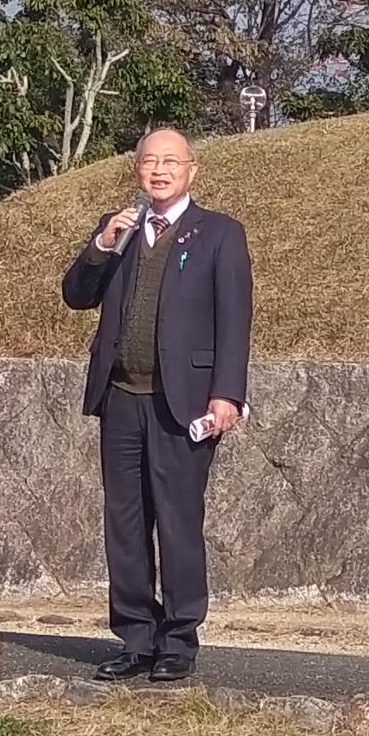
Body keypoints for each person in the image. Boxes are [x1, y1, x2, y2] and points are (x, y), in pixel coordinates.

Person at [62, 126, 252, 682]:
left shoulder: (219, 233)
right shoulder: (118, 230)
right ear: (137, 169)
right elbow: (77, 295)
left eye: (171, 161)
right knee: (123, 521)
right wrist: (100, 247)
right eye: (150, 161)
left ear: (192, 169)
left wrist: (227, 394)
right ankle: (135, 637)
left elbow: (234, 321)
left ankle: (178, 639)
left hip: (184, 402)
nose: (160, 170)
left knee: (177, 520)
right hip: (121, 397)